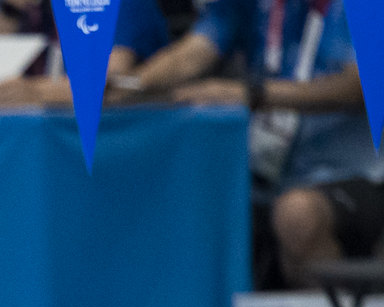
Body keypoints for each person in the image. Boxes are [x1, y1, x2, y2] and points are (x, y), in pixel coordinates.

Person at [126, 0, 383, 287]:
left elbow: (361, 86)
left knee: (297, 215)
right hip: (262, 178)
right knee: (182, 204)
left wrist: (256, 95)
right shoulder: (252, 6)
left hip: (355, 176)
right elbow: (196, 51)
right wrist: (128, 85)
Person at [0, 0, 173, 107]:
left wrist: (36, 92)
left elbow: (109, 81)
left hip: (119, 139)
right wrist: (9, 11)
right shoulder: (38, 8)